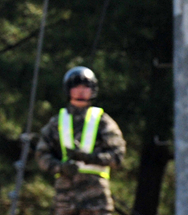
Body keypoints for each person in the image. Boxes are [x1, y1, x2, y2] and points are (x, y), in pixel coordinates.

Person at [36, 66, 127, 214]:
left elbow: (118, 156)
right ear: (68, 90)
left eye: (86, 87)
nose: (81, 91)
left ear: (93, 90)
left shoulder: (102, 121)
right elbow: (42, 154)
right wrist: (60, 167)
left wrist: (90, 158)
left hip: (95, 199)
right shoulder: (57, 122)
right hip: (65, 200)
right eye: (76, 87)